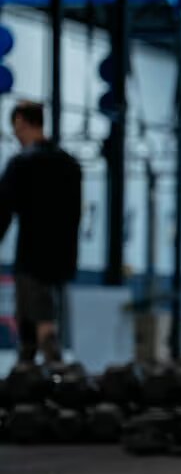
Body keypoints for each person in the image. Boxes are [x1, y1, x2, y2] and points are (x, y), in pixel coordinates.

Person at [0, 101, 83, 363]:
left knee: (37, 322)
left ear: (21, 122)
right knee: (40, 316)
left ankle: (49, 376)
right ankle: (34, 377)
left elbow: (3, 211)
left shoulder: (22, 164)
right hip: (62, 257)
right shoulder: (69, 165)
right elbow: (76, 214)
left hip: (32, 255)